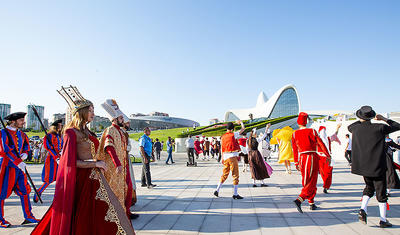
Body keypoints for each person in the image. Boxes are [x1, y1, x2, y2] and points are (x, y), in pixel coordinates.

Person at [32, 86, 134, 234]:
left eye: (93, 110)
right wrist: (95, 163)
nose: (93, 113)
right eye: (90, 110)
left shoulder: (87, 131)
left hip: (96, 177)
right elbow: (69, 162)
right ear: (82, 112)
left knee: (110, 213)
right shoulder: (70, 133)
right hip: (82, 180)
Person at [348, 106, 400, 227]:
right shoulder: (380, 127)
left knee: (369, 188)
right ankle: (383, 220)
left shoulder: (355, 128)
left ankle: (363, 209)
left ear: (360, 117)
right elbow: (398, 126)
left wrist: (362, 118)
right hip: (377, 166)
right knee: (381, 193)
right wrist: (383, 119)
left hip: (364, 167)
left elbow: (351, 126)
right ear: (372, 116)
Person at [0, 112, 39, 227]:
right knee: (2, 192)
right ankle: (0, 219)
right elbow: (4, 150)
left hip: (19, 167)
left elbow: (26, 146)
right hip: (7, 166)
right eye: (21, 120)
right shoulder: (3, 133)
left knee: (25, 190)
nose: (23, 122)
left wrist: (25, 155)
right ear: (13, 121)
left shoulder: (22, 134)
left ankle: (28, 216)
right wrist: (17, 161)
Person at [98, 99, 136, 219]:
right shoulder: (110, 130)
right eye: (120, 118)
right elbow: (109, 147)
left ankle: (125, 212)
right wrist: (117, 163)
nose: (122, 120)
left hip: (123, 166)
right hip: (115, 168)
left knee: (127, 189)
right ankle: (116, 215)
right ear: (114, 119)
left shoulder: (120, 131)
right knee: (115, 191)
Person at [292, 112, 331, 213]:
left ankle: (311, 203)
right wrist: (327, 154)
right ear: (306, 121)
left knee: (306, 180)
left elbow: (295, 150)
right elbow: (321, 143)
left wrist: (296, 162)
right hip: (312, 157)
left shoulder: (294, 134)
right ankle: (300, 199)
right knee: (312, 180)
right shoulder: (312, 131)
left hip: (302, 158)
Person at [34, 119, 64, 203]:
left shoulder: (60, 135)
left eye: (61, 125)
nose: (61, 126)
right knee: (49, 179)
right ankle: (39, 191)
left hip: (60, 158)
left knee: (61, 178)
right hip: (52, 159)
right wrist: (56, 157)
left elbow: (62, 146)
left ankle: (59, 197)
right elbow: (49, 147)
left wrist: (62, 153)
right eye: (59, 125)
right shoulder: (49, 135)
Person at [213, 120, 245, 199]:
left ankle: (217, 190)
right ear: (233, 129)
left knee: (224, 174)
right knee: (235, 175)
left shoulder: (223, 137)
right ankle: (235, 194)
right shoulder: (233, 134)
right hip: (232, 156)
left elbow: (222, 148)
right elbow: (243, 129)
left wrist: (222, 158)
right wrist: (240, 122)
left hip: (226, 156)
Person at [316, 124, 341, 194]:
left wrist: (337, 128)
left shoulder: (328, 139)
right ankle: (325, 185)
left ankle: (326, 186)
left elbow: (335, 134)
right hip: (320, 158)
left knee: (328, 172)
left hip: (327, 158)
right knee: (323, 173)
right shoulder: (317, 140)